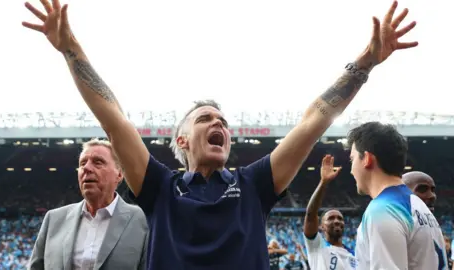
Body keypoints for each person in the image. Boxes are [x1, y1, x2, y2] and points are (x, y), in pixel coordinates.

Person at [22, 0, 418, 268]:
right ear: (181, 141)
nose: (220, 125)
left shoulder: (254, 183)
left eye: (224, 122)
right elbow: (113, 120)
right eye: (206, 119)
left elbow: (313, 120)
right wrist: (71, 49)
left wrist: (365, 63)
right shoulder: (159, 186)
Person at [28, 139, 148, 270]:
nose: (86, 168)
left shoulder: (143, 220)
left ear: (119, 174)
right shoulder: (54, 219)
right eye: (82, 163)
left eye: (98, 162)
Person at [347, 122, 448, 269]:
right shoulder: (418, 205)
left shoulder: (383, 209)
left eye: (352, 159)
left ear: (367, 159)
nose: (351, 170)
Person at [303, 155, 356, 269]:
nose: (337, 221)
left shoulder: (355, 255)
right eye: (331, 218)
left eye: (340, 218)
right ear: (321, 226)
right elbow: (310, 215)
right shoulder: (317, 246)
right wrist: (323, 183)